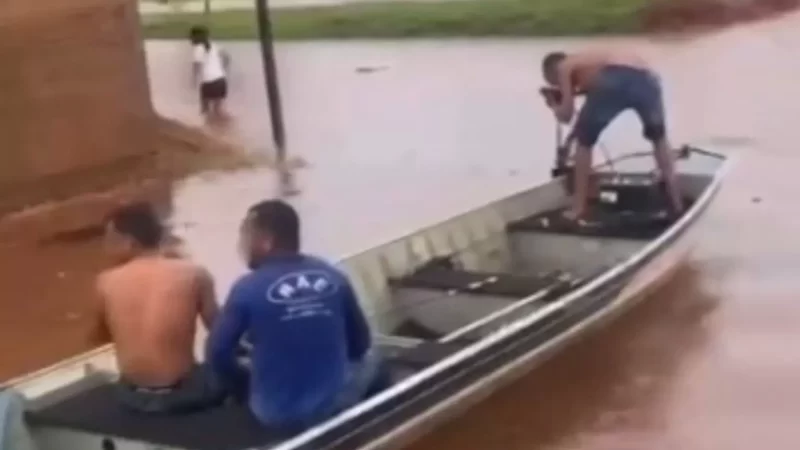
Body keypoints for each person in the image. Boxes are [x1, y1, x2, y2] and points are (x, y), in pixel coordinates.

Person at [207, 200, 386, 432]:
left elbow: (217, 353)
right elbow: (361, 344)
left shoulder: (246, 288)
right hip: (331, 408)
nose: (242, 245)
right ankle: (375, 429)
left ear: (266, 241)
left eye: (246, 236)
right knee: (376, 360)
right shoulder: (332, 275)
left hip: (272, 414)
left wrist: (244, 386)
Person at [92, 202, 226, 414]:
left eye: (110, 239)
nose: (106, 246)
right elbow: (221, 334)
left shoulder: (105, 282)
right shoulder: (194, 274)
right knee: (226, 372)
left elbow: (100, 336)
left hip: (133, 396)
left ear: (130, 242)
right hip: (185, 394)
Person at [540, 50, 684, 220]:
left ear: (554, 71)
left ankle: (578, 208)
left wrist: (554, 104)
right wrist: (572, 94)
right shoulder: (588, 59)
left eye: (557, 83)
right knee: (658, 138)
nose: (562, 86)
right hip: (648, 79)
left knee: (584, 142)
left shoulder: (565, 66)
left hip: (612, 80)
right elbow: (612, 85)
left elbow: (567, 116)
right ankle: (677, 203)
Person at [189, 25, 230, 120]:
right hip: (221, 80)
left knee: (204, 110)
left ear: (196, 37)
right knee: (218, 110)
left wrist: (194, 80)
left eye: (191, 37)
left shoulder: (198, 49)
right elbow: (227, 57)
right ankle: (222, 129)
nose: (190, 39)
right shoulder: (214, 45)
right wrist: (223, 69)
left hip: (208, 82)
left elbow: (196, 66)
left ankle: (207, 130)